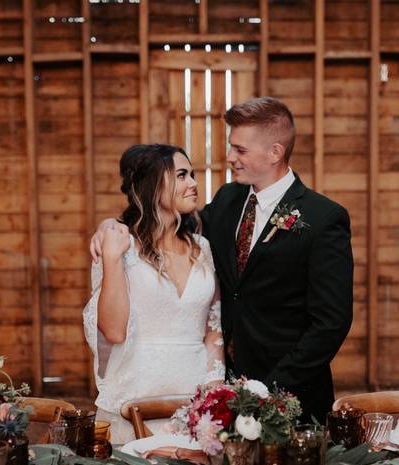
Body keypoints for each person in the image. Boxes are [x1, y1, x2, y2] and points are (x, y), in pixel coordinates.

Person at [91, 97, 354, 425]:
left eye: (240, 150)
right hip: (221, 390)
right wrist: (111, 226)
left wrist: (271, 388)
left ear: (274, 152)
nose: (230, 157)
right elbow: (165, 223)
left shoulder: (323, 217)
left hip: (291, 394)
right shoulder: (229, 200)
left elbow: (331, 323)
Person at [82, 143, 224, 445]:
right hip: (134, 395)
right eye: (182, 175)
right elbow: (114, 331)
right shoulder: (119, 246)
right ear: (152, 184)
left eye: (192, 175)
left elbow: (213, 330)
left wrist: (215, 394)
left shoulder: (203, 248)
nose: (194, 184)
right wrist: (111, 259)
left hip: (195, 405)